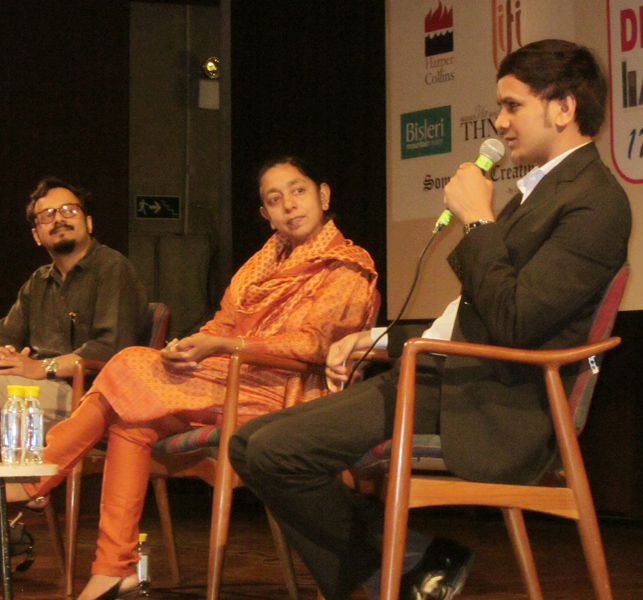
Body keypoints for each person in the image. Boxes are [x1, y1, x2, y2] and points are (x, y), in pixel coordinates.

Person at [228, 39, 632, 600]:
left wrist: (479, 221)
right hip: (441, 375)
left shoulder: (596, 202)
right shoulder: (540, 192)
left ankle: (385, 575)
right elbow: (471, 317)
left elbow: (516, 321)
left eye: (513, 106)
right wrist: (376, 339)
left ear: (563, 108)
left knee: (276, 453)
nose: (499, 121)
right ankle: (410, 563)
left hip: (493, 399)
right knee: (247, 445)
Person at [7, 157, 378, 600]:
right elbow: (224, 323)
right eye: (274, 200)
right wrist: (191, 347)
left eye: (297, 192)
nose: (288, 206)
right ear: (264, 214)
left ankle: (33, 480)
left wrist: (224, 348)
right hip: (229, 381)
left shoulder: (347, 265)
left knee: (126, 364)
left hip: (293, 396)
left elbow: (315, 347)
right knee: (133, 421)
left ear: (323, 195)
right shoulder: (261, 263)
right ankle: (114, 568)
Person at [0, 177, 147, 430]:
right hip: (39, 389)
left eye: (69, 210)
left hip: (91, 396)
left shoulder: (112, 267)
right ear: (36, 235)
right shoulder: (38, 281)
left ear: (88, 223)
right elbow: (5, 336)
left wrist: (40, 367)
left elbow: (111, 349)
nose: (58, 219)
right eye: (47, 216)